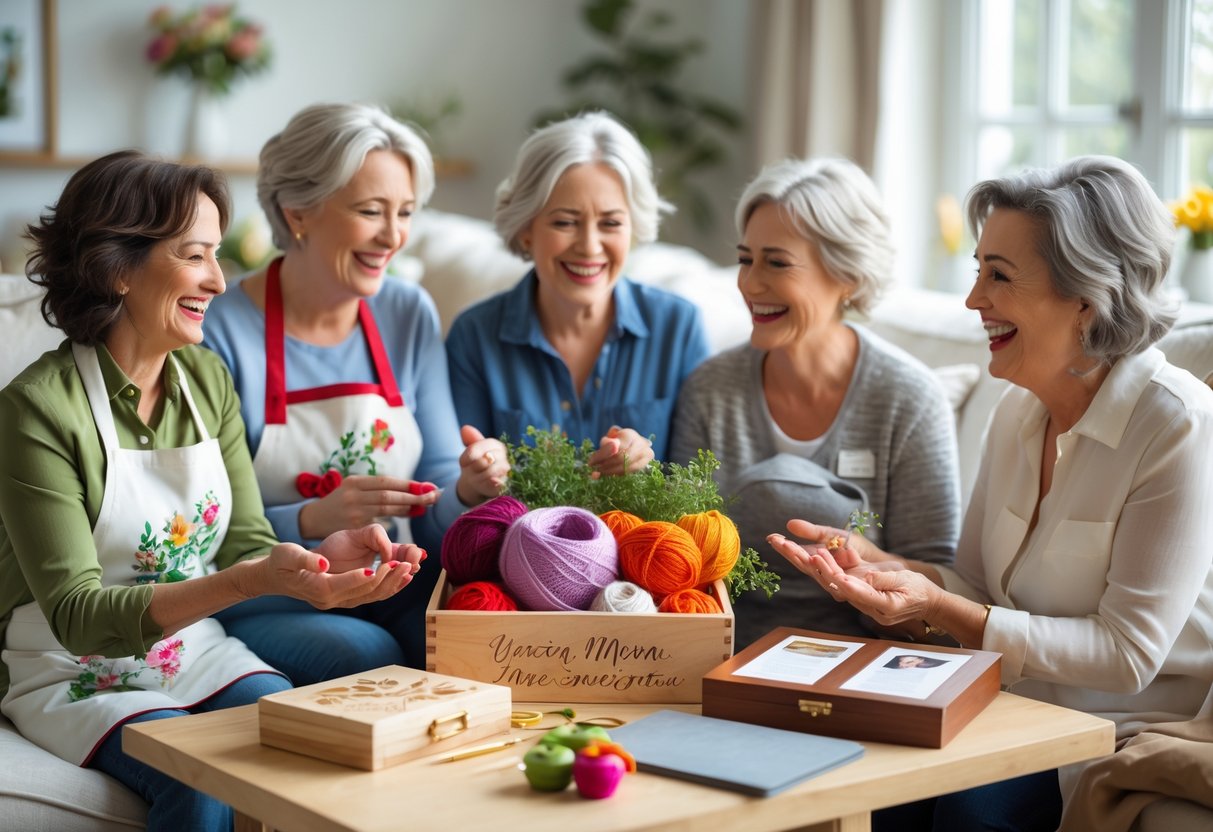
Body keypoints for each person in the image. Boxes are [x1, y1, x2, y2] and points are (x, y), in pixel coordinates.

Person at [769, 156, 1213, 832]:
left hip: (1110, 725)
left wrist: (943, 606)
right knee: (832, 786)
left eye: (998, 276)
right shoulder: (1017, 407)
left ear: (1085, 299)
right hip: (1000, 705)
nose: (973, 300)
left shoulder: (1175, 424)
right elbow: (974, 584)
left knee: (964, 814)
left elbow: (1126, 655)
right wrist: (888, 569)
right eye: (976, 270)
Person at [0, 151, 424, 831]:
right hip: (71, 669)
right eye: (195, 255)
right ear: (116, 268)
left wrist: (325, 553)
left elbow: (245, 543)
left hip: (193, 647)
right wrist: (247, 583)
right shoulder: (38, 411)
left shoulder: (204, 380)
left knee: (290, 746)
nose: (220, 282)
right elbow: (77, 615)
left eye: (217, 255)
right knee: (200, 785)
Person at [202, 103, 505, 676]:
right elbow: (209, 528)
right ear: (298, 212)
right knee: (365, 656)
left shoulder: (406, 311)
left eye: (406, 212)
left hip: (391, 577)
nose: (393, 237)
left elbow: (437, 487)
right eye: (371, 211)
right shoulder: (221, 331)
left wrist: (466, 486)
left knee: (476, 637)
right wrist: (314, 518)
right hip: (274, 590)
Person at [669, 158, 960, 648]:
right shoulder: (710, 390)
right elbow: (687, 565)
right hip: (721, 661)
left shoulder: (908, 397)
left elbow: (934, 586)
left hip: (871, 662)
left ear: (847, 274)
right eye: (746, 259)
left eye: (776, 263)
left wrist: (867, 571)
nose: (749, 283)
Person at [445, 111, 710, 471]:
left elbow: (702, 492)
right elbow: (455, 490)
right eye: (565, 222)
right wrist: (479, 480)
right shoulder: (473, 336)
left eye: (611, 223)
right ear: (526, 228)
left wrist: (646, 472)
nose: (589, 246)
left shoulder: (679, 327)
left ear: (633, 230)